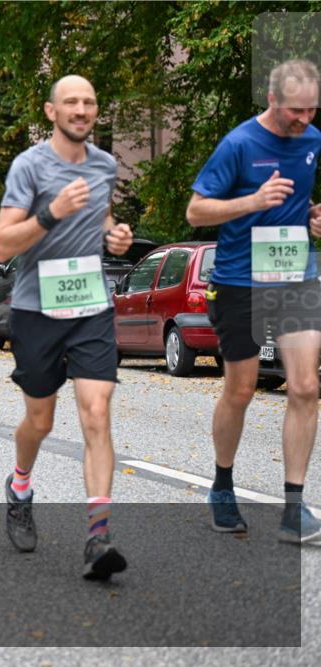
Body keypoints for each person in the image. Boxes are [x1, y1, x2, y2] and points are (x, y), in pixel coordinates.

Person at [0, 75, 134, 580]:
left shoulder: (103, 164)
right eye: (70, 101)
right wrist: (50, 213)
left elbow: (100, 220)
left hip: (90, 302)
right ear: (52, 111)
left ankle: (98, 537)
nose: (81, 109)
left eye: (89, 101)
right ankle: (20, 487)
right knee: (41, 422)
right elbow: (3, 246)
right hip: (36, 308)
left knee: (96, 413)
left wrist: (113, 236)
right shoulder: (29, 166)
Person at [186, 59, 321, 543]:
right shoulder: (239, 144)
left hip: (293, 275)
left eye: (311, 110)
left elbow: (293, 202)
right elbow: (197, 210)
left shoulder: (312, 140)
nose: (304, 120)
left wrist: (309, 216)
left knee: (305, 386)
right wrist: (252, 201)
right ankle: (222, 485)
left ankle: (293, 507)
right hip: (239, 280)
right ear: (271, 99)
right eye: (295, 112)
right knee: (240, 389)